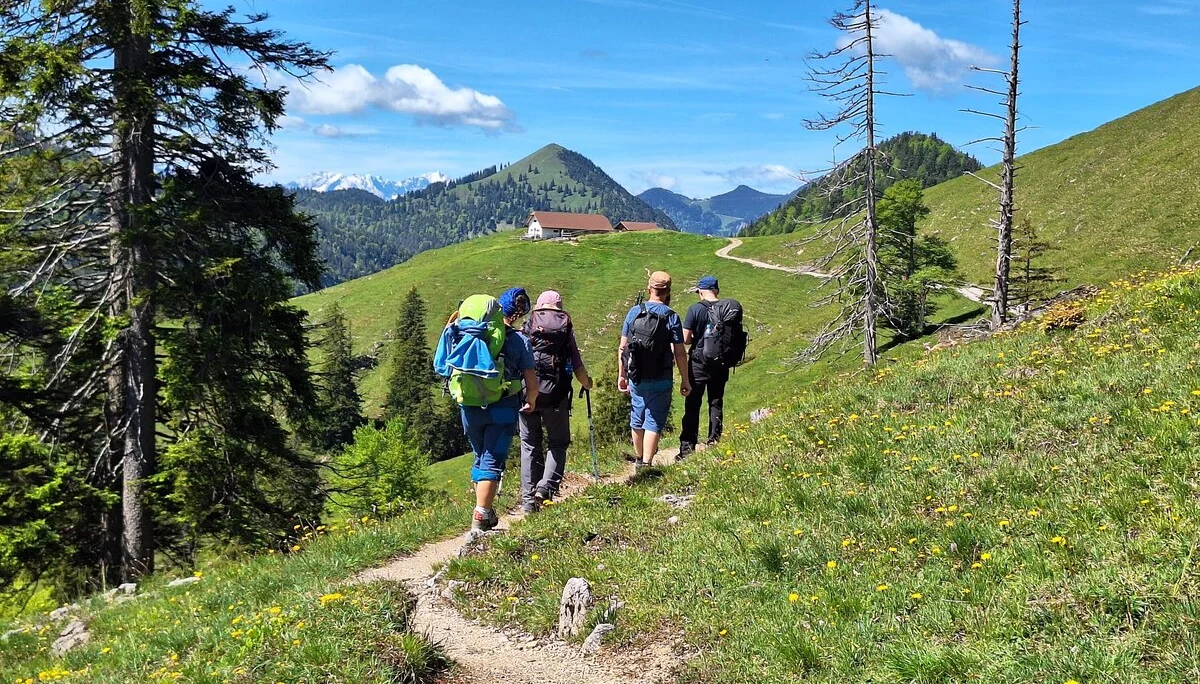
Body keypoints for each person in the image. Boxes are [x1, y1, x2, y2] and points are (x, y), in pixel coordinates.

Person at [434, 287, 537, 532]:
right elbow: (531, 380)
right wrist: (531, 399)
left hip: (469, 407)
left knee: (481, 456)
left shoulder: (460, 334)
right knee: (492, 460)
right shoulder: (517, 340)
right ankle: (481, 516)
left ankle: (486, 509)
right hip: (502, 406)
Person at [518, 290, 593, 513]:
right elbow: (577, 364)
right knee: (558, 443)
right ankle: (546, 487)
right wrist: (586, 383)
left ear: (539, 306)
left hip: (526, 392)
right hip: (556, 394)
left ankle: (529, 502)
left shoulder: (528, 324)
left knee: (530, 444)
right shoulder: (565, 328)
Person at [617, 271, 690, 471]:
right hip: (662, 376)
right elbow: (680, 352)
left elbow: (623, 348)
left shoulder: (634, 312)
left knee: (637, 416)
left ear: (649, 289)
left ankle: (639, 459)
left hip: (637, 375)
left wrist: (622, 375)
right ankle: (647, 464)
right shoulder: (671, 316)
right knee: (654, 418)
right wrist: (685, 379)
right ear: (667, 292)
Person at [680, 275, 733, 457]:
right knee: (716, 402)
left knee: (693, 404)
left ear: (701, 292)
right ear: (716, 290)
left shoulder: (695, 309)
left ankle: (687, 448)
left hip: (698, 363)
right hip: (721, 363)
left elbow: (685, 339)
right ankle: (714, 441)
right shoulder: (727, 309)